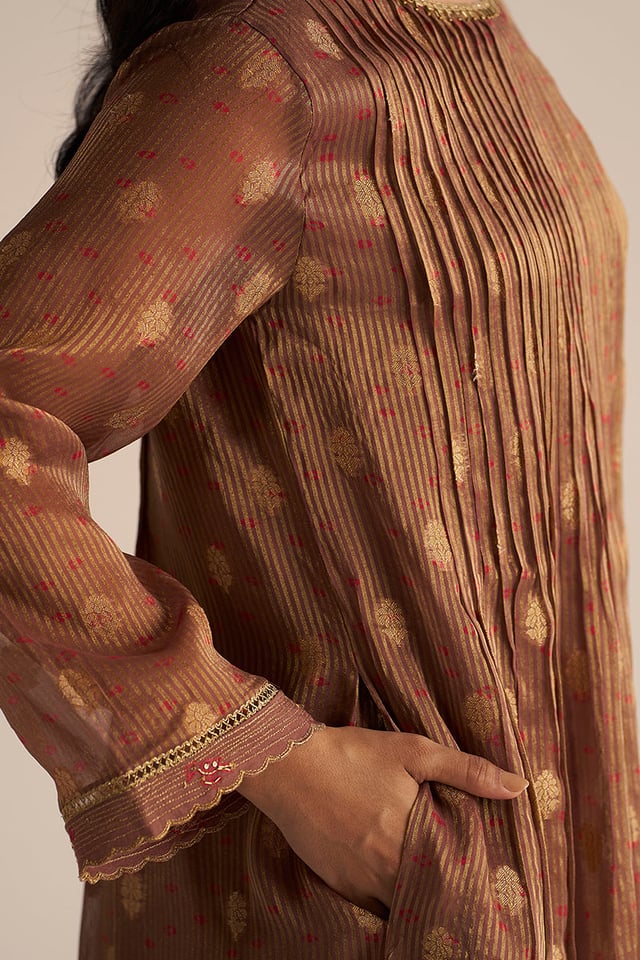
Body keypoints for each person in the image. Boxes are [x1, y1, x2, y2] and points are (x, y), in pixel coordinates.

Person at [0, 0, 638, 956]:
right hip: (351, 891)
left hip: (565, 838)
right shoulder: (256, 75)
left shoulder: (477, 31)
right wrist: (274, 760)